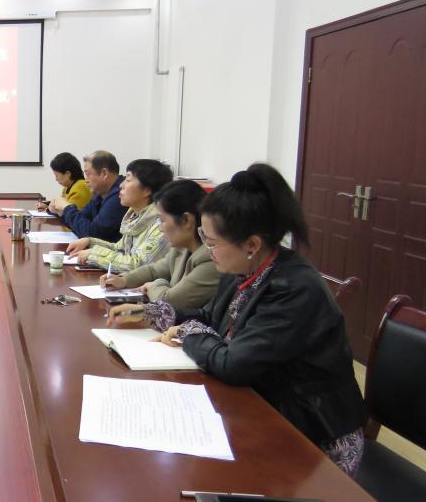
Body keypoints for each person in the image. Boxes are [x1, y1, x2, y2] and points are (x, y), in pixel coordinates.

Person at [107, 163, 366, 476]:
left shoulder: (293, 288)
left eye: (212, 242)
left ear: (251, 245)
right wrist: (151, 312)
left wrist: (186, 333)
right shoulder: (243, 268)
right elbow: (210, 317)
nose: (208, 250)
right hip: (264, 404)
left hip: (313, 434)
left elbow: (234, 363)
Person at [101, 179, 219, 311]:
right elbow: (154, 270)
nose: (160, 228)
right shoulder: (181, 247)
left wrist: (156, 285)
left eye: (162, 220)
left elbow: (171, 302)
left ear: (186, 220)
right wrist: (124, 280)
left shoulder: (210, 258)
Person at [67, 158, 173, 272]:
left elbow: (138, 266)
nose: (121, 185)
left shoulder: (162, 225)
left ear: (147, 190)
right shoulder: (136, 216)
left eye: (128, 180)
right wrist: (89, 242)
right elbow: (119, 249)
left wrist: (94, 255)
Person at [50, 151, 129, 241]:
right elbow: (81, 222)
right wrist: (62, 212)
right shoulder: (100, 193)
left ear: (104, 173)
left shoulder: (120, 195)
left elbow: (93, 234)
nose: (86, 180)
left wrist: (67, 208)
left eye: (88, 174)